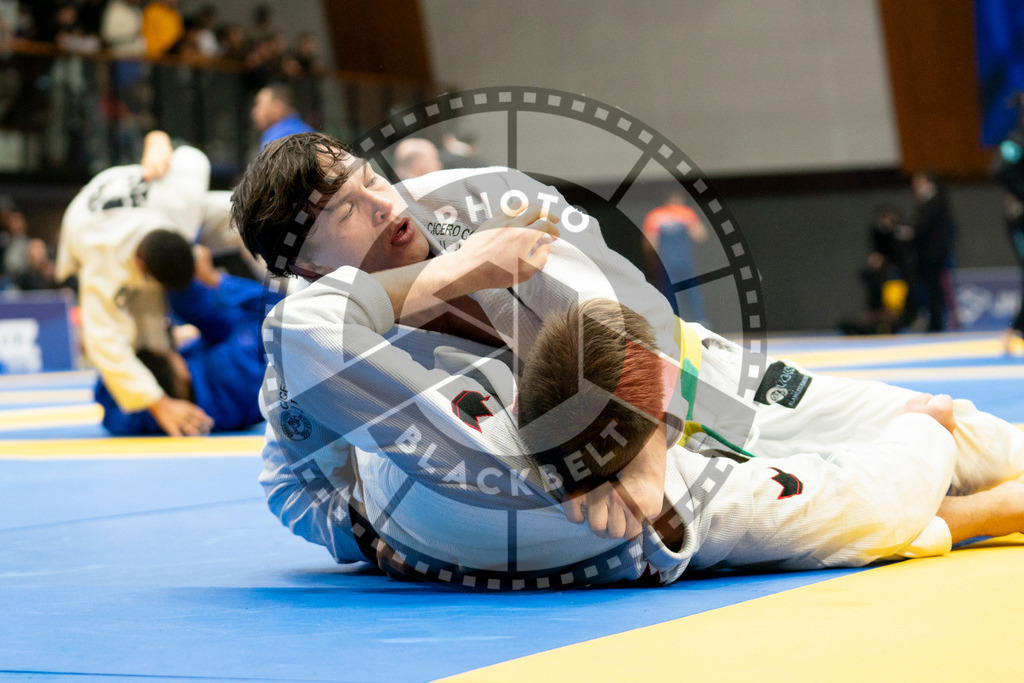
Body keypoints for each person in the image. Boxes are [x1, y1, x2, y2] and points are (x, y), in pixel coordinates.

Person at [232, 133, 1024, 586]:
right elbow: (287, 479)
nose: (383, 205)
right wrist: (362, 534)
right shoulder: (311, 337)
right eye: (346, 211)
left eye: (371, 180)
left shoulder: (481, 200)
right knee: (749, 507)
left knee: (925, 417)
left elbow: (609, 319)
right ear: (304, 266)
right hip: (544, 457)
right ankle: (940, 507)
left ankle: (957, 475)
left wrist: (641, 457)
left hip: (662, 367)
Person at [56, 130, 234, 436]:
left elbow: (190, 155)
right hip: (84, 225)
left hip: (150, 208)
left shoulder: (182, 199)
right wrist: (158, 403)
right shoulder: (103, 261)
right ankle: (153, 386)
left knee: (241, 212)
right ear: (141, 269)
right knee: (139, 334)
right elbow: (104, 344)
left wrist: (158, 141)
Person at [96, 246, 280, 435]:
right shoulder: (232, 369)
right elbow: (275, 312)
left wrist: (157, 403)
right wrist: (214, 280)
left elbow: (110, 389)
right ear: (181, 373)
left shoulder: (147, 414)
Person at [641, 191, 708, 324]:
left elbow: (650, 243)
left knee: (671, 295)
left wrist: (652, 261)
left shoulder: (655, 215)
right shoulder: (686, 213)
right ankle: (700, 323)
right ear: (678, 198)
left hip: (667, 263)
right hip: (685, 261)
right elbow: (701, 235)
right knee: (692, 294)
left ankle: (673, 324)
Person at [911, 171, 958, 332]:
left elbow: (925, 226)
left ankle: (938, 324)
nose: (914, 185)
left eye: (917, 180)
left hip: (935, 253)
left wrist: (913, 233)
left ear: (925, 180)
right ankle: (935, 322)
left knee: (937, 288)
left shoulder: (934, 198)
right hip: (931, 252)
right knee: (934, 288)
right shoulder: (928, 199)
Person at [251, 83, 314, 151]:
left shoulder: (282, 136)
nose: (254, 112)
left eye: (259, 105)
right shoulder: (304, 130)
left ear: (277, 107)